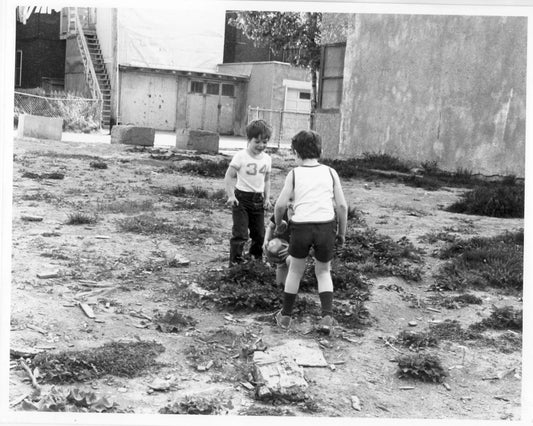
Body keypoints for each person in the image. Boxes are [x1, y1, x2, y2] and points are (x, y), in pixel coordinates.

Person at [273, 130, 348, 334]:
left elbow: (280, 205)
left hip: (301, 227)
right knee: (323, 271)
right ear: (320, 151)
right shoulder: (331, 172)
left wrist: (279, 224)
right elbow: (342, 206)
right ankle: (326, 317)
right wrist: (341, 233)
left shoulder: (294, 174)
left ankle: (286, 316)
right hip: (326, 226)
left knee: (296, 271)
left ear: (296, 153)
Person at [224, 119, 272, 266]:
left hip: (258, 200)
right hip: (241, 200)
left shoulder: (267, 159)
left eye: (264, 142)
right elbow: (229, 176)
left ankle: (255, 261)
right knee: (240, 233)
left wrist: (267, 199)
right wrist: (231, 195)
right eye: (257, 141)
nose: (261, 145)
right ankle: (235, 262)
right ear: (249, 140)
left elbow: (267, 180)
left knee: (259, 234)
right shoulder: (241, 156)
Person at [263, 206, 292, 287]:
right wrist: (266, 240)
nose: (292, 204)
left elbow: (304, 239)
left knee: (290, 260)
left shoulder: (303, 214)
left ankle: (292, 287)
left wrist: (292, 248)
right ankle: (280, 289)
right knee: (281, 264)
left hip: (297, 249)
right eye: (290, 200)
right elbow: (270, 227)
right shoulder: (282, 211)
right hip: (281, 246)